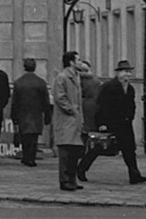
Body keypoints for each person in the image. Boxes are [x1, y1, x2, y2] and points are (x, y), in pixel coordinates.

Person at [79, 60, 146, 184]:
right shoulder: (109, 86)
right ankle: (81, 169)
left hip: (125, 124)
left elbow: (131, 105)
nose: (127, 74)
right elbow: (101, 105)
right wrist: (101, 123)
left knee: (129, 150)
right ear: (118, 73)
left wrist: (130, 117)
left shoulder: (130, 88)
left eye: (129, 72)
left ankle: (134, 175)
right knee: (98, 148)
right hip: (110, 122)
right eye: (125, 72)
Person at [53, 50, 85, 191]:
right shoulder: (63, 77)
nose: (80, 62)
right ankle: (65, 180)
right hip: (66, 120)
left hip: (74, 120)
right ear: (71, 62)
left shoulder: (76, 77)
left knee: (74, 152)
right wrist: (72, 110)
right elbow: (60, 97)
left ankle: (72, 179)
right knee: (66, 152)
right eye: (78, 60)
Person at [10, 57, 50, 167]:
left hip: (23, 113)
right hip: (36, 113)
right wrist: (47, 115)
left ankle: (26, 156)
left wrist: (14, 117)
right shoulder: (41, 82)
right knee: (34, 136)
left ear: (24, 67)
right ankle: (31, 158)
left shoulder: (19, 82)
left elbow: (15, 102)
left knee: (25, 136)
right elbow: (45, 101)